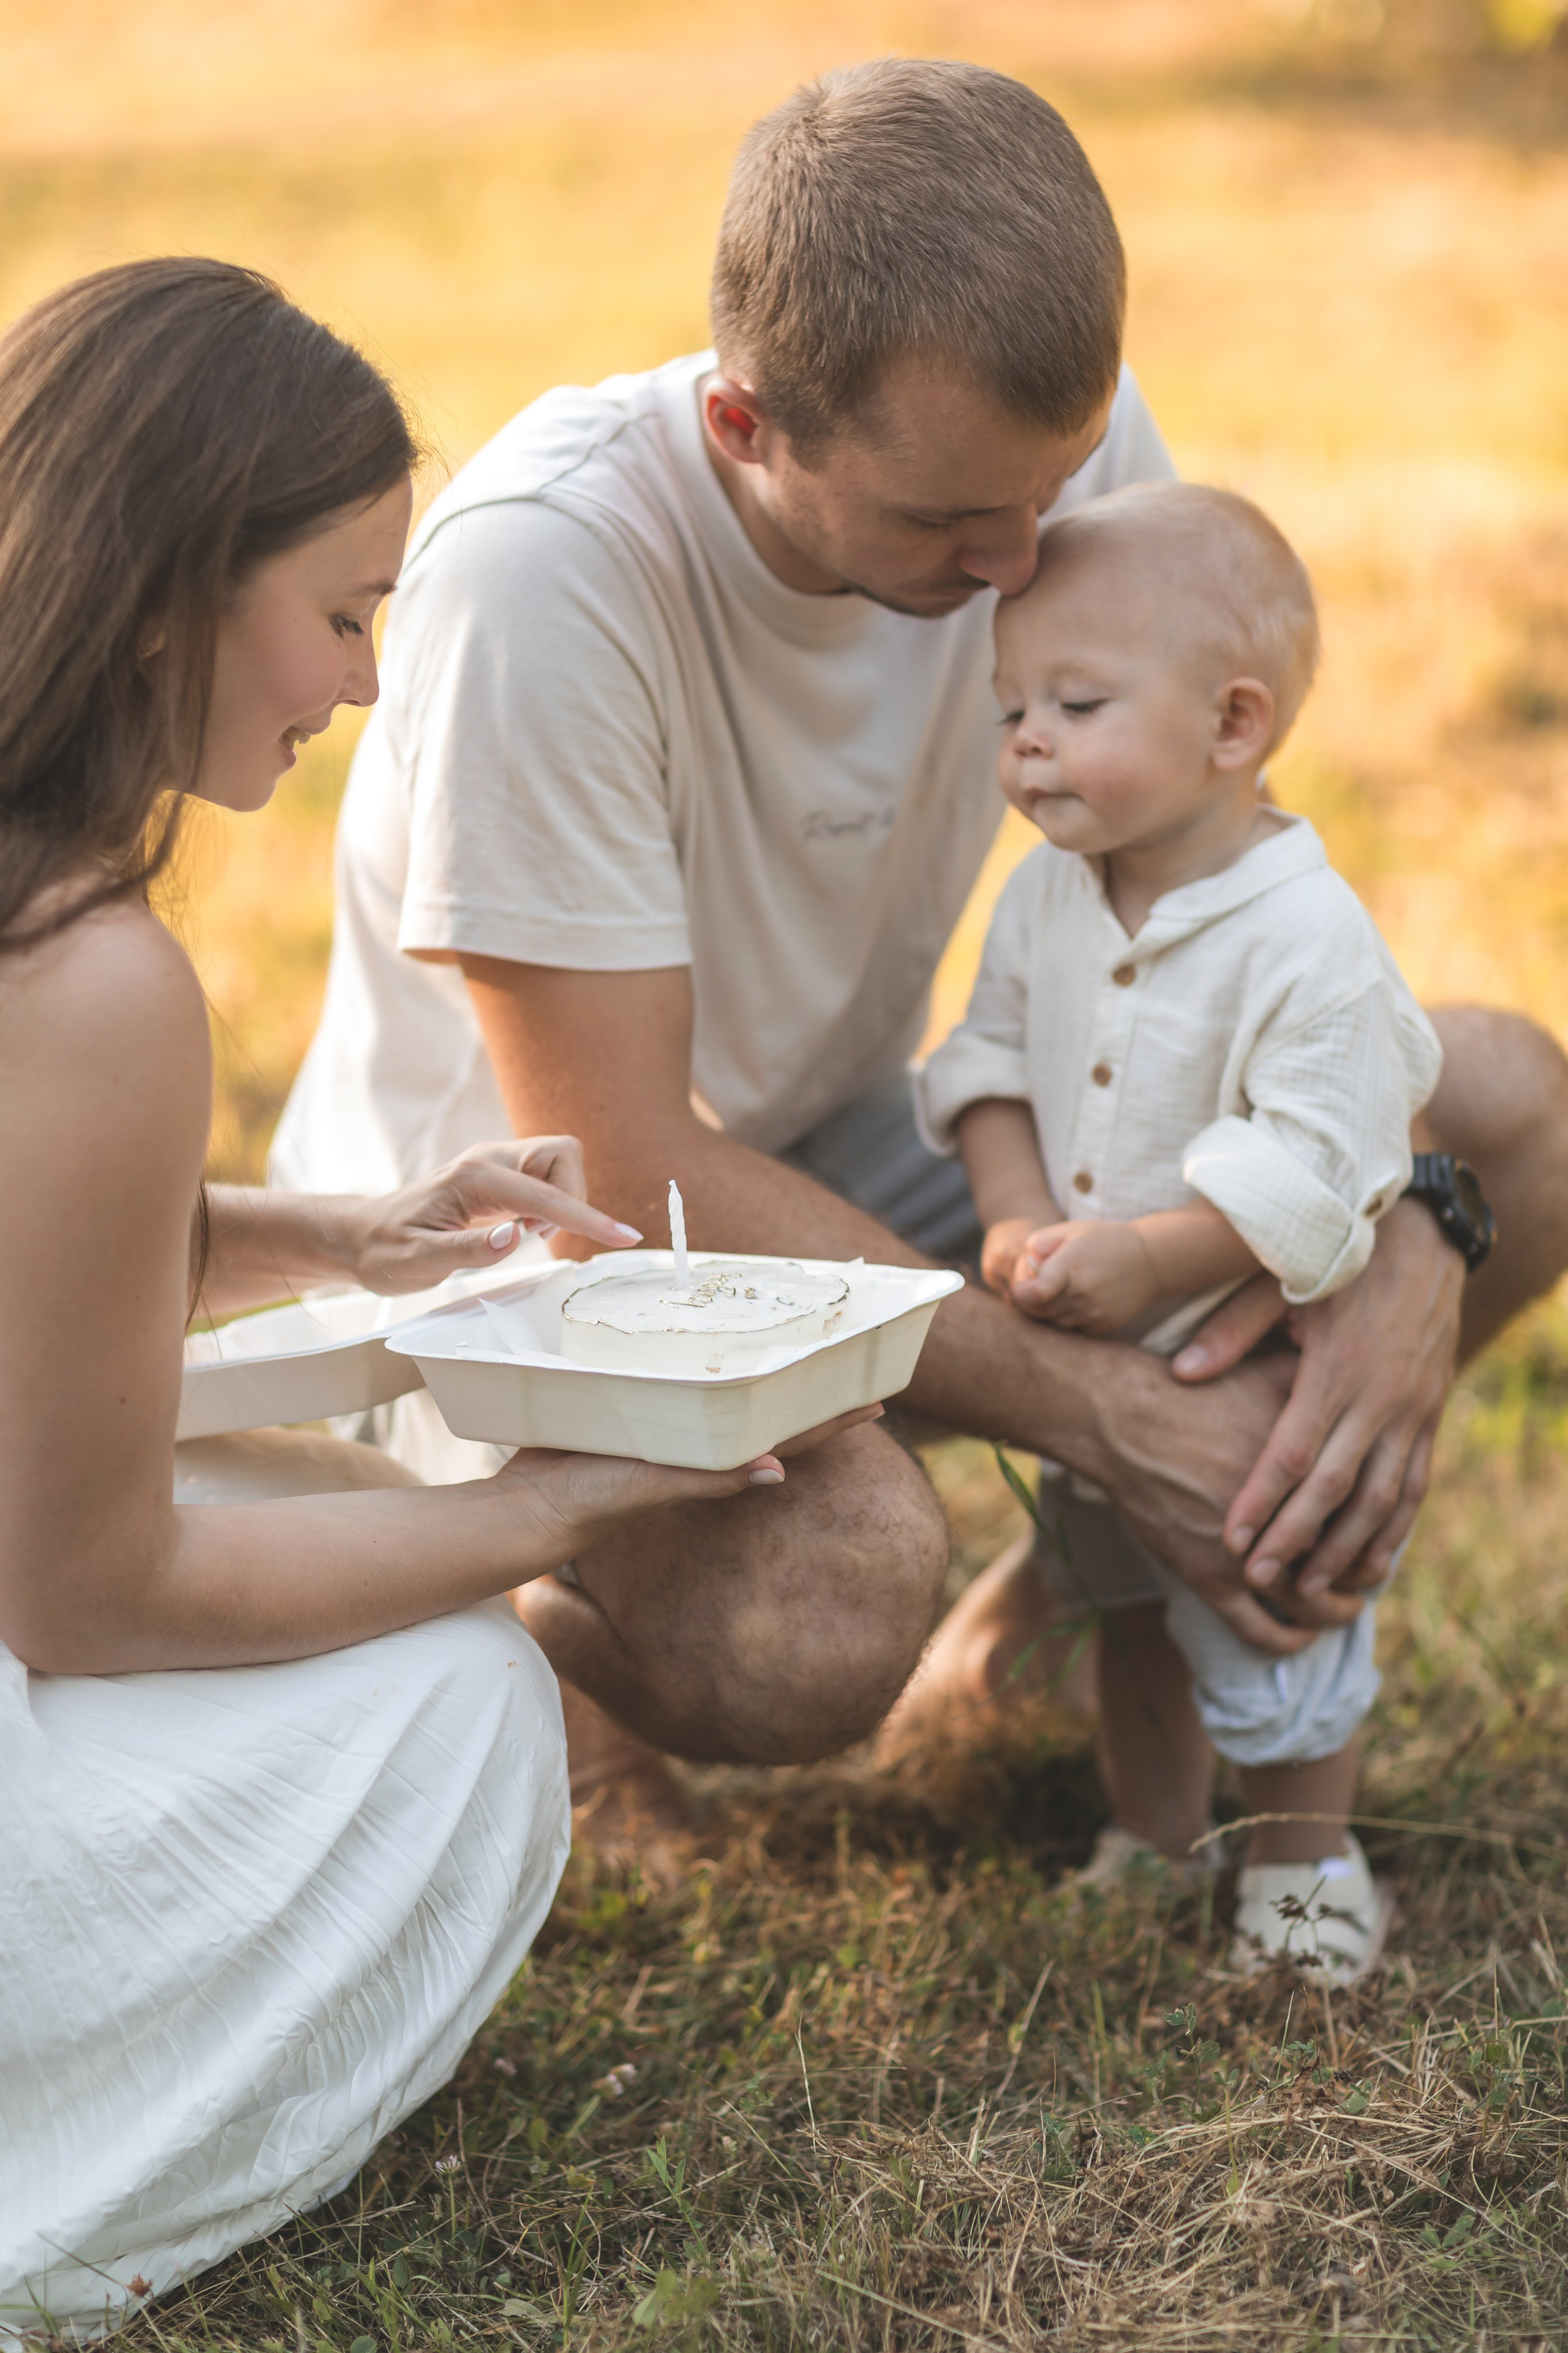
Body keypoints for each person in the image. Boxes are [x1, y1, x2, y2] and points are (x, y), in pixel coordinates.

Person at [271, 58, 1568, 1827]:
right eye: (952, 524)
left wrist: (1418, 1230)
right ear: (745, 429)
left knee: (1512, 1105)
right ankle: (524, 1634)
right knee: (829, 1597)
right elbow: (628, 1160)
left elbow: (1227, 915)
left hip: (848, 1147)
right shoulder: (545, 580)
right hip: (525, 1263)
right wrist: (1112, 1417)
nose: (1026, 555)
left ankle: (1073, 1597)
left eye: (1054, 483)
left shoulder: (1038, 464)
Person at [0, 258, 873, 2346]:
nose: (369, 681)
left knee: (301, 1472)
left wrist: (343, 1235)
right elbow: (85, 1597)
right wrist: (548, 1513)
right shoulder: (98, 975)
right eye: (343, 612)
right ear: (164, 597)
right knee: (467, 1697)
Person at [919, 482, 1444, 1976]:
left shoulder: (1306, 941)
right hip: (1086, 1342)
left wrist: (1150, 1258)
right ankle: (1151, 1837)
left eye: (1074, 702)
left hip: (1231, 1352)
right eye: (1010, 703)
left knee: (1266, 1612)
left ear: (1231, 726)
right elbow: (985, 1064)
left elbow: (1316, 1158)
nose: (1024, 740)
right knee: (1127, 1609)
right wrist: (1012, 1216)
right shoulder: (1045, 896)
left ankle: (1299, 1867)